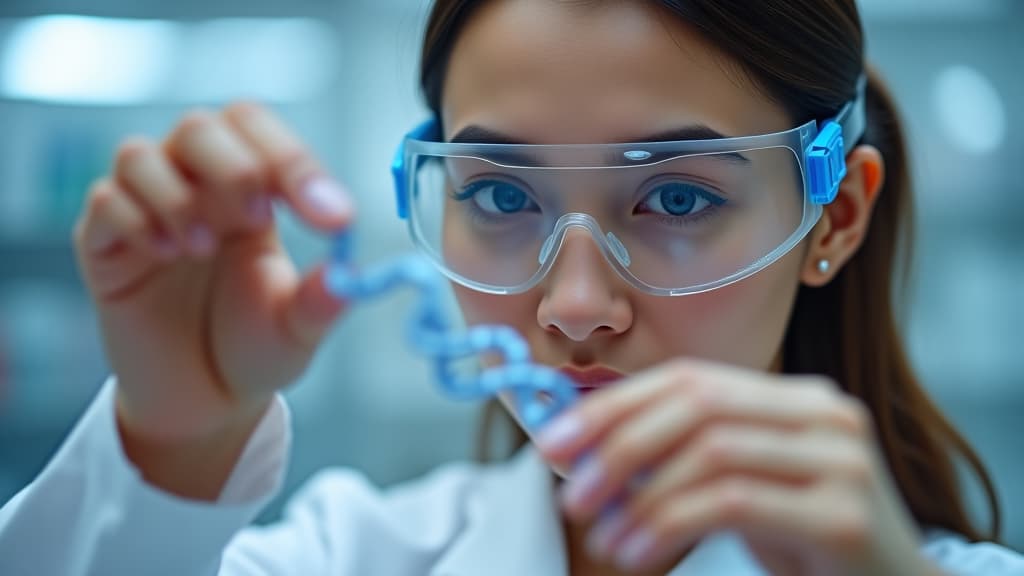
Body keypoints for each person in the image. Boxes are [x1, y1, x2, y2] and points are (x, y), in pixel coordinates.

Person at [1, 0, 1022, 574]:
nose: (574, 306)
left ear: (831, 216)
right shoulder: (349, 559)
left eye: (673, 199)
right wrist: (171, 439)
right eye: (497, 194)